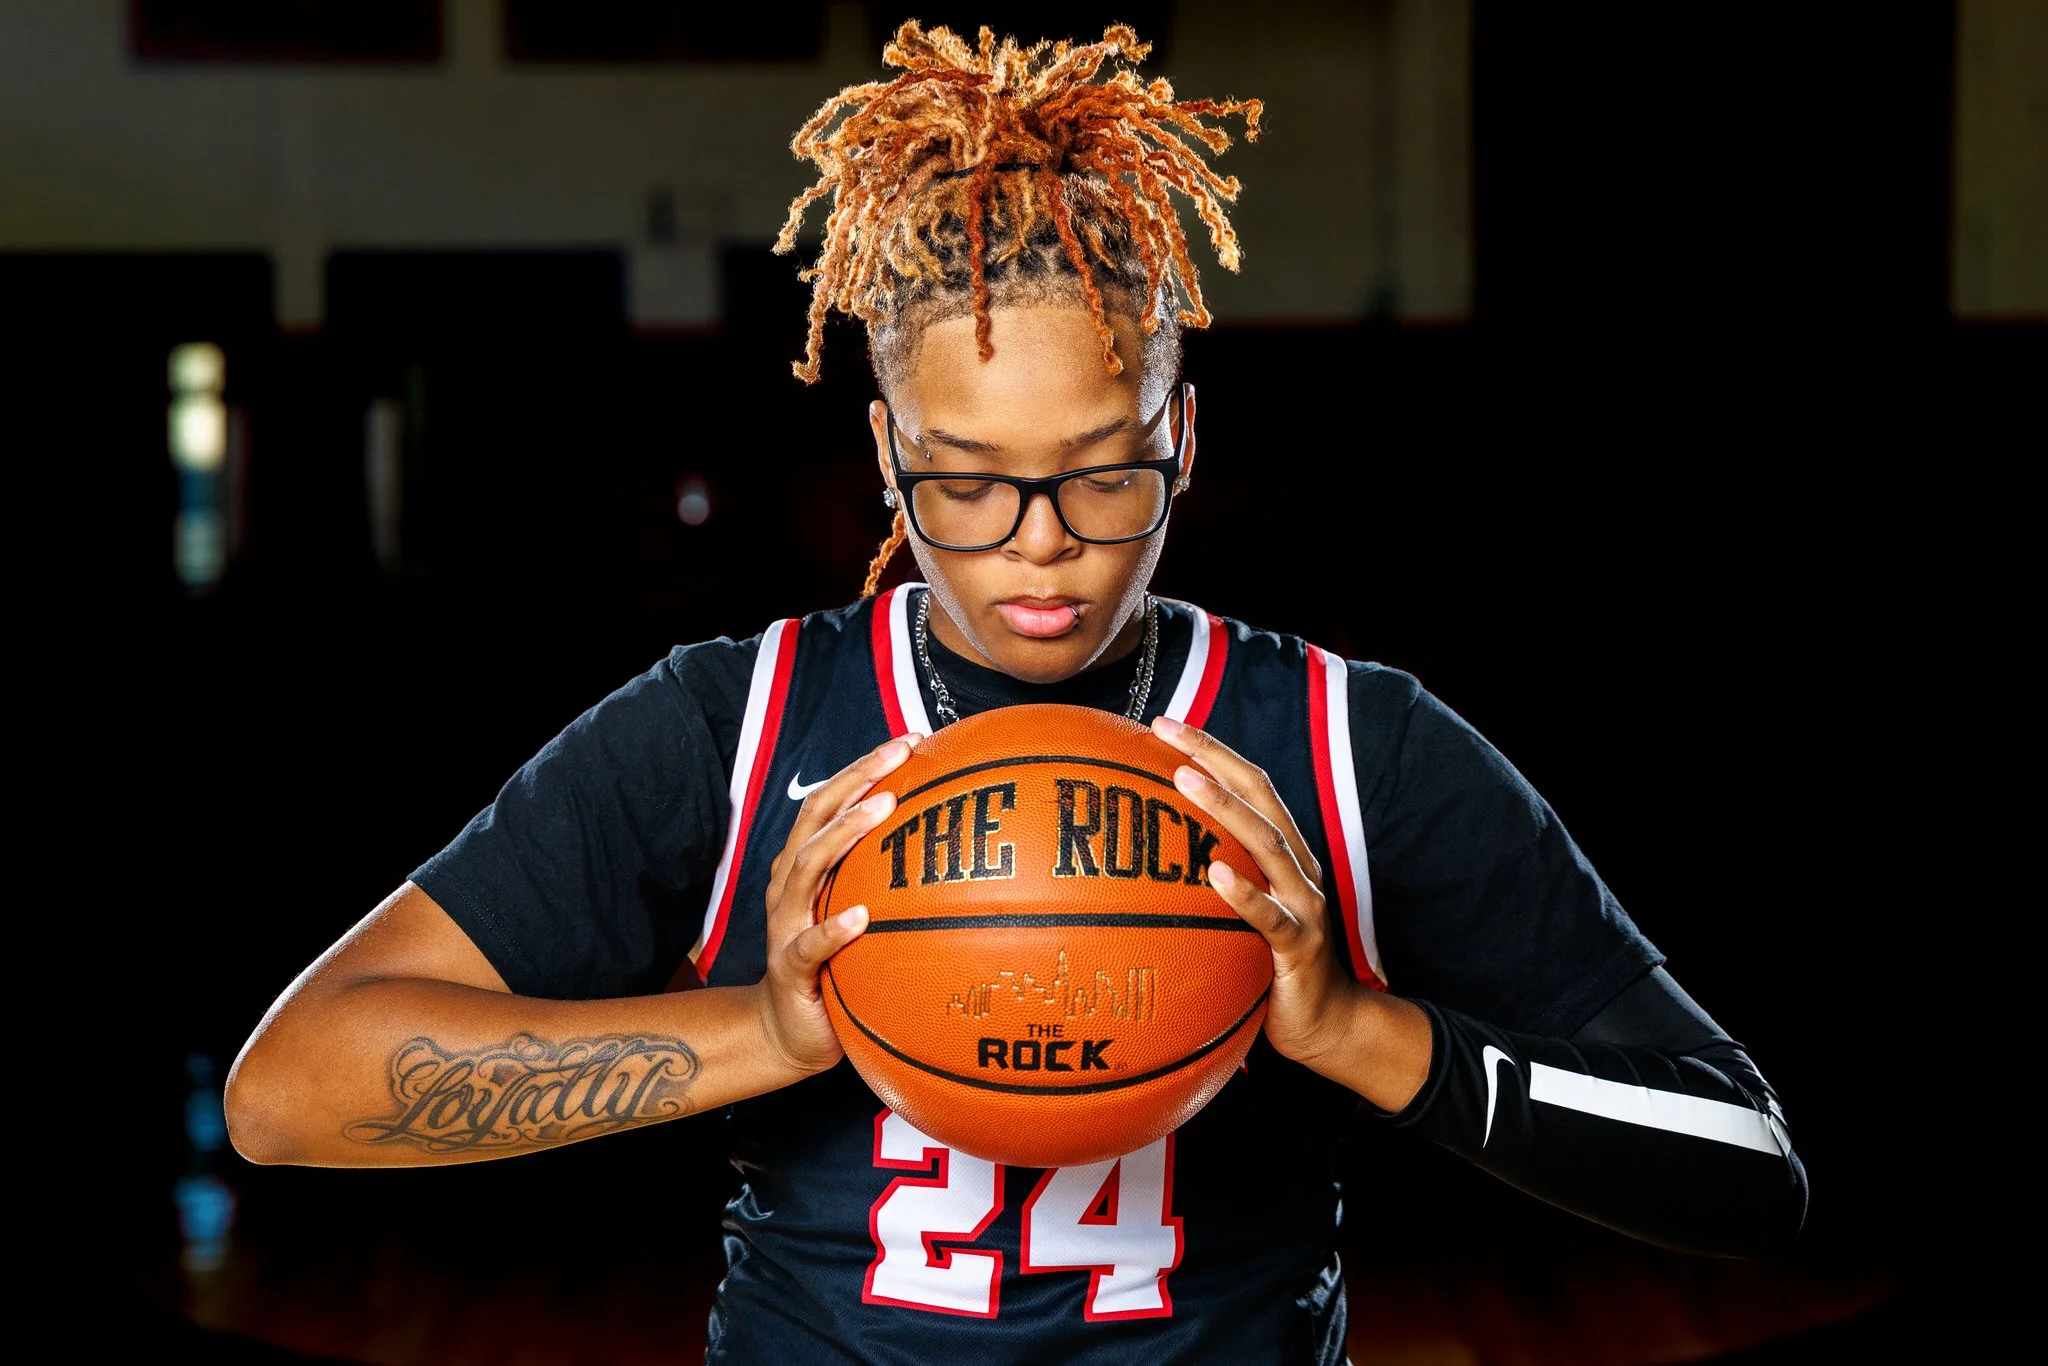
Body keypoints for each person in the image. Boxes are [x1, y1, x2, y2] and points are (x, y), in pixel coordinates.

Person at [226, 22, 1807, 1364]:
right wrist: (768, 1030)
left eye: (1103, 473)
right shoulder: (734, 724)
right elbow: (290, 1089)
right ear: (886, 458)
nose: (1038, 547)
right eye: (967, 483)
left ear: (1182, 442)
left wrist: (1350, 1027)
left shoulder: (1345, 743)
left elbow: (1748, 1167)